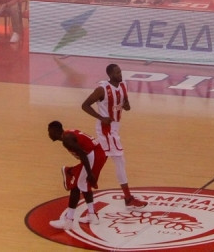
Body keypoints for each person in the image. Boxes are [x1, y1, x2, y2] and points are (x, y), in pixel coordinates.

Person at [80, 64, 147, 208]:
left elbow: (125, 103)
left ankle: (77, 175)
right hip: (106, 128)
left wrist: (127, 106)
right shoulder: (101, 89)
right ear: (110, 75)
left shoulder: (124, 86)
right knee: (119, 160)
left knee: (97, 156)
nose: (120, 74)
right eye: (117, 73)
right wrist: (101, 117)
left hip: (115, 127)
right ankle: (128, 198)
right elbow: (85, 105)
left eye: (120, 72)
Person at [47, 120, 107, 230]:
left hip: (93, 156)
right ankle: (92, 215)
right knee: (83, 184)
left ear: (55, 131)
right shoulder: (68, 134)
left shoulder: (67, 140)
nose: (48, 134)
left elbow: (83, 155)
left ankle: (68, 221)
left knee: (76, 186)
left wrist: (90, 173)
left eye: (49, 131)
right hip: (97, 154)